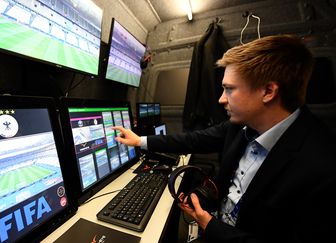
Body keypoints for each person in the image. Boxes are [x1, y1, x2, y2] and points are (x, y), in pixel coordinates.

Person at [112, 35, 336, 243]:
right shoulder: (241, 126)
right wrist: (140, 141)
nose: (221, 99)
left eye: (229, 89)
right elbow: (193, 140)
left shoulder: (322, 166)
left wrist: (209, 226)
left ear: (268, 91)